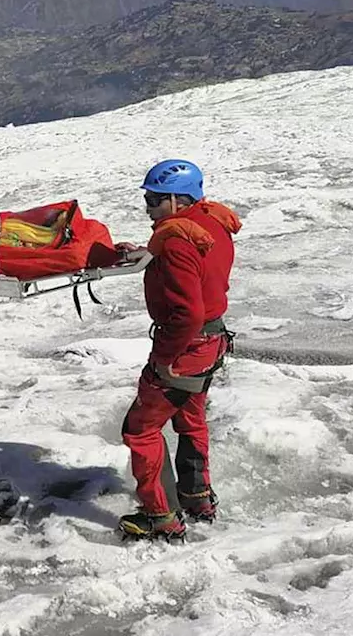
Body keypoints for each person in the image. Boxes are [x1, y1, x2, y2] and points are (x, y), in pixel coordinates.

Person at [116, 159, 242, 540]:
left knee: (140, 429)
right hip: (212, 341)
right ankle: (196, 495)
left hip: (186, 347)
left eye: (154, 200)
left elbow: (187, 313)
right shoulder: (210, 222)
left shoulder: (175, 242)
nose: (149, 208)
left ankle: (159, 516)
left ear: (175, 199)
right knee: (190, 419)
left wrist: (165, 360)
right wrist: (148, 253)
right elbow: (198, 265)